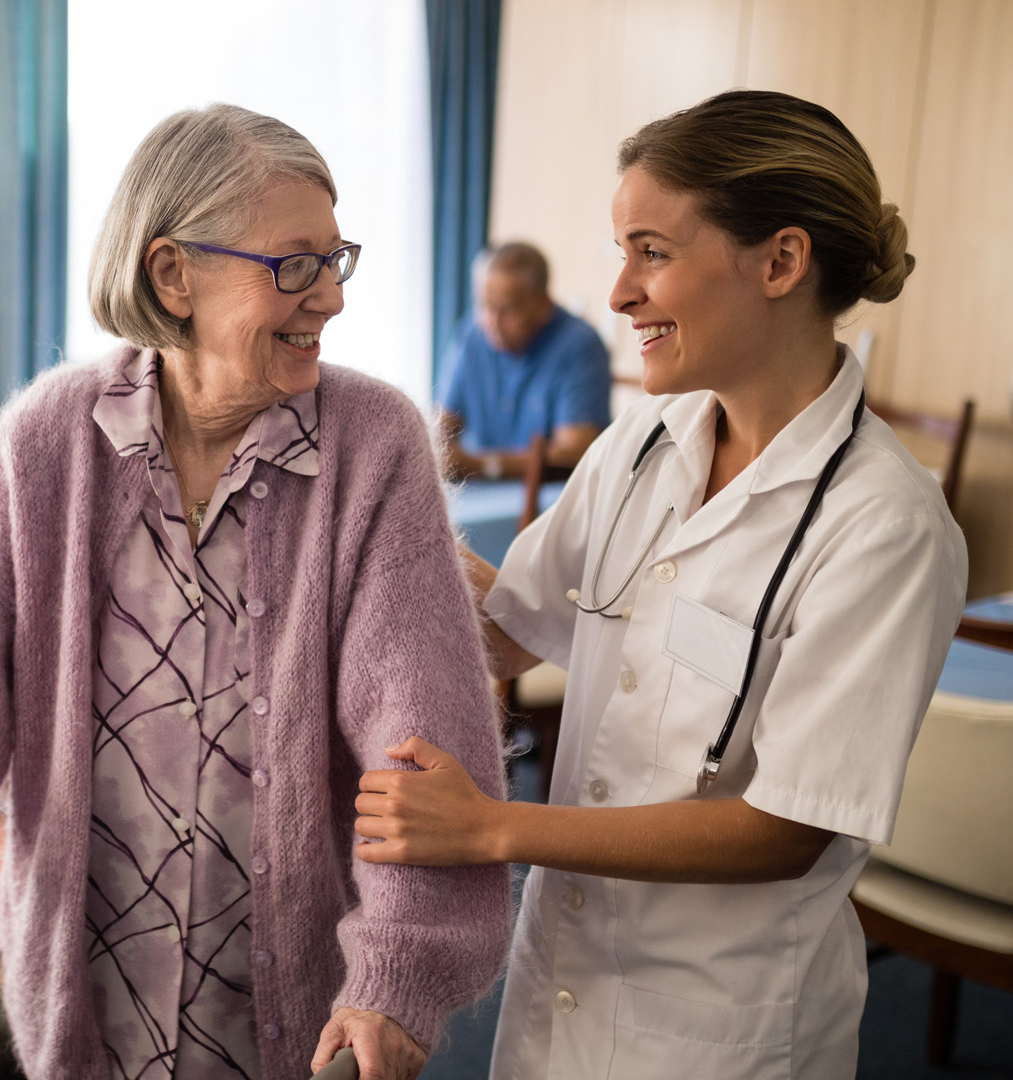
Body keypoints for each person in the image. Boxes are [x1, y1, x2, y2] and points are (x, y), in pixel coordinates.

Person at [0, 104, 511, 1080]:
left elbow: (421, 738)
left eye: (338, 259)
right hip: (89, 990)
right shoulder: (48, 440)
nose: (329, 297)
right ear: (172, 274)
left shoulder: (372, 446)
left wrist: (399, 969)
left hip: (299, 1011)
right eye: (294, 265)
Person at [353, 90, 967, 1079]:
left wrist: (493, 826)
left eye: (650, 250)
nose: (618, 294)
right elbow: (508, 630)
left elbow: (785, 828)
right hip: (562, 975)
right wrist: (368, 523)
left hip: (717, 1025)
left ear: (779, 261)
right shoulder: (640, 441)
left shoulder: (885, 527)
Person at [437, 242, 612, 479]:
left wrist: (482, 465)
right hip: (481, 490)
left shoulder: (581, 346)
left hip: (550, 496)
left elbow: (574, 452)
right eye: (485, 306)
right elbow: (442, 424)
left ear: (542, 304)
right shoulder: (471, 334)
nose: (493, 321)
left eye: (507, 310)